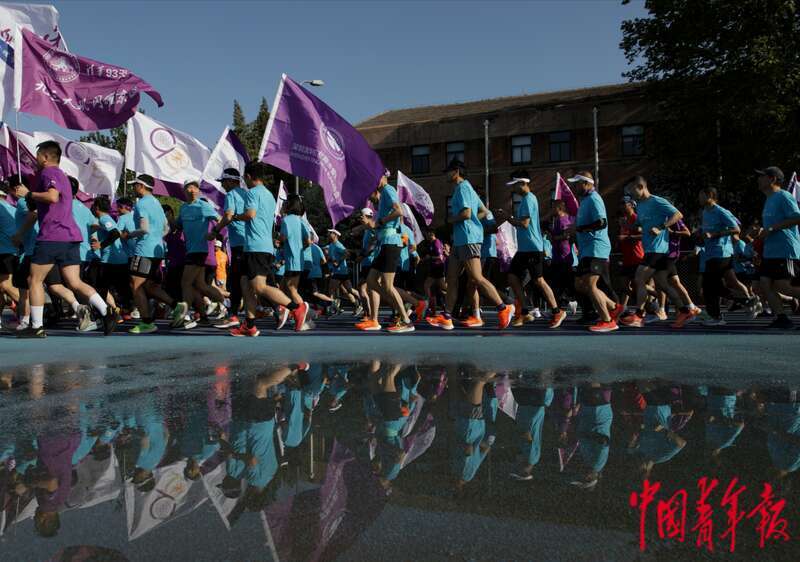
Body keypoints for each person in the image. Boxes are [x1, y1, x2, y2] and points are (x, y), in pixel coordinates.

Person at [14, 141, 116, 337]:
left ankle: (36, 327)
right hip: (70, 237)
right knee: (74, 282)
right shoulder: (63, 175)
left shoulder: (48, 173)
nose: (36, 159)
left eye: (38, 155)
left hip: (52, 235)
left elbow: (52, 197)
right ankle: (107, 311)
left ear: (45, 157)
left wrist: (29, 193)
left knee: (34, 280)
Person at [428, 160, 513, 330]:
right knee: (452, 279)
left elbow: (466, 213)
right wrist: (474, 219)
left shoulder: (463, 188)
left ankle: (504, 307)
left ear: (456, 172)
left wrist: (451, 220)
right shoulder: (465, 189)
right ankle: (447, 317)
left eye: (448, 171)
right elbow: (484, 211)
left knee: (476, 277)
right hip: (460, 240)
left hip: (468, 238)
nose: (446, 174)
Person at [229, 161, 306, 337]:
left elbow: (250, 214)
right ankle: (249, 325)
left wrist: (235, 217)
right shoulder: (269, 195)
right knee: (245, 284)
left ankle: (296, 308)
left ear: (248, 176)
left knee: (259, 287)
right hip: (261, 245)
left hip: (256, 246)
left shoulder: (252, 193)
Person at [620, 176, 699, 328]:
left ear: (640, 187)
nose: (630, 194)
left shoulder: (657, 201)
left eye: (631, 190)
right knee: (663, 284)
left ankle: (639, 315)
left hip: (658, 249)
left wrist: (661, 227)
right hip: (651, 249)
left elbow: (678, 214)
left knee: (639, 278)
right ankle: (685, 311)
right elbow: (640, 226)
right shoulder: (640, 205)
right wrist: (629, 226)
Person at [497, 171, 566, 328]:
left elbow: (524, 223)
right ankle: (525, 312)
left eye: (514, 185)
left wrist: (507, 217)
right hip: (524, 249)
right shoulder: (525, 200)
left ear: (522, 183)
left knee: (539, 281)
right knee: (512, 277)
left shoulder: (529, 199)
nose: (513, 189)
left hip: (533, 248)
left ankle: (557, 311)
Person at [356, 173, 414, 332]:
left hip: (391, 243)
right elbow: (377, 226)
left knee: (387, 285)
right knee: (371, 281)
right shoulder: (383, 196)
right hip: (384, 244)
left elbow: (399, 211)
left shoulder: (388, 190)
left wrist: (380, 221)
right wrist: (363, 227)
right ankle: (398, 307)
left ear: (383, 177)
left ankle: (406, 318)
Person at [570, 171, 622, 333]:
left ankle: (607, 321)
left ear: (586, 183)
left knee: (591, 285)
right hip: (586, 250)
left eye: (577, 184)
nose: (574, 187)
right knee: (580, 284)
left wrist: (581, 228)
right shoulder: (584, 200)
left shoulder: (594, 198)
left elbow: (602, 222)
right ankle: (614, 307)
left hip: (596, 248)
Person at [698, 187, 757, 326]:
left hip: (721, 253)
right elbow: (708, 230)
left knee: (709, 286)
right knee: (720, 285)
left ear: (710, 196)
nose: (699, 198)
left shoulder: (721, 211)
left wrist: (715, 234)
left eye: (701, 195)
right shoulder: (705, 211)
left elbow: (736, 229)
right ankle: (747, 301)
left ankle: (716, 317)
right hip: (711, 253)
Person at [172, 180, 225, 329]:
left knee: (185, 283)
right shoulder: (183, 208)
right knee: (199, 285)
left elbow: (220, 220)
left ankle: (185, 316)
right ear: (185, 190)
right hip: (190, 250)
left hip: (200, 250)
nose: (192, 190)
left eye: (195, 187)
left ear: (198, 190)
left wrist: (214, 233)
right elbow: (178, 225)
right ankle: (206, 315)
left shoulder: (203, 205)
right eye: (189, 187)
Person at [125, 174, 174, 334]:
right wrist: (156, 238)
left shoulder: (142, 203)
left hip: (144, 249)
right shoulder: (156, 203)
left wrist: (128, 235)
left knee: (135, 284)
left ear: (141, 186)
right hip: (157, 250)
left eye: (135, 185)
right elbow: (166, 228)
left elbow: (144, 229)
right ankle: (177, 305)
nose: (133, 188)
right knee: (149, 285)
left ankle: (147, 322)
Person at [754, 167, 800, 329]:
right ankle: (782, 318)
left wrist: (771, 228)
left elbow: (797, 218)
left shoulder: (784, 196)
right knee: (764, 284)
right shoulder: (769, 199)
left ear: (772, 179)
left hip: (785, 249)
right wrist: (761, 232)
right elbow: (771, 227)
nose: (759, 179)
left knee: (783, 286)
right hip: (770, 251)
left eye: (762, 176)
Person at [210, 168, 248, 329]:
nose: (223, 186)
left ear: (232, 181)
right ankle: (278, 308)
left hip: (239, 242)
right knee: (250, 280)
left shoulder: (231, 195)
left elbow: (228, 215)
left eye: (224, 182)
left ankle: (233, 315)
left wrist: (215, 230)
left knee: (236, 280)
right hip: (250, 242)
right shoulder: (247, 194)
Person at [90, 196, 129, 311]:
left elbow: (115, 233)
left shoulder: (104, 219)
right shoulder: (106, 219)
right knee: (119, 287)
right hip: (118, 258)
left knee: (101, 287)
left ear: (97, 207)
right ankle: (123, 309)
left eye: (93, 206)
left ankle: (103, 312)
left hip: (111, 259)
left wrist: (100, 245)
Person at [326, 228, 361, 315]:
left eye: (330, 233)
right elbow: (331, 258)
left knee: (331, 289)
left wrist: (338, 262)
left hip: (340, 271)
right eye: (328, 233)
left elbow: (347, 253)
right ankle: (359, 304)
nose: (328, 234)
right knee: (348, 290)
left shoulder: (338, 245)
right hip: (338, 271)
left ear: (335, 235)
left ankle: (333, 308)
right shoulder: (331, 245)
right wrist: (331, 261)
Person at [617, 196, 644, 310]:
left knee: (638, 285)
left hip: (637, 256)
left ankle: (654, 301)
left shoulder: (636, 218)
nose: (622, 206)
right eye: (621, 203)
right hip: (626, 258)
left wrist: (627, 237)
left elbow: (643, 235)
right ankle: (623, 309)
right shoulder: (623, 220)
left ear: (632, 205)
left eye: (624, 203)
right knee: (623, 285)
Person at [0, 181, 19, 330]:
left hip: (5, 253)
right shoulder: (11, 208)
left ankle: (31, 309)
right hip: (12, 252)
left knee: (5, 285)